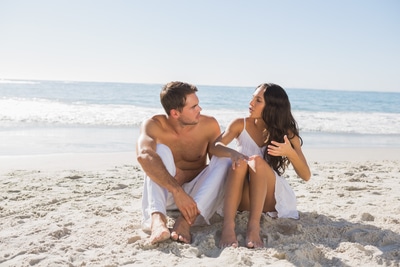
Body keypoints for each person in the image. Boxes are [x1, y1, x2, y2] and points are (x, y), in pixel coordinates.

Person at [209, 83, 311, 248]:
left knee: (256, 160)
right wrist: (232, 153)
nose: (251, 104)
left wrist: (290, 152)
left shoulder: (287, 133)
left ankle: (253, 227)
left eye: (258, 100)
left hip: (268, 199)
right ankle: (228, 226)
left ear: (272, 106)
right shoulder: (239, 124)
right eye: (252, 98)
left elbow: (306, 175)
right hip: (241, 198)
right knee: (240, 162)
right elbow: (214, 147)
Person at [136, 81, 231, 244]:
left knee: (225, 160)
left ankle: (185, 222)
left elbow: (215, 169)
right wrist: (176, 190)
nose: (199, 109)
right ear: (175, 113)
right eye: (193, 107)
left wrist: (185, 176)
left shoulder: (209, 125)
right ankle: (158, 220)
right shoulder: (154, 125)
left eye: (198, 104)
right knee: (159, 151)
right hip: (167, 194)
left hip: (197, 197)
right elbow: (143, 155)